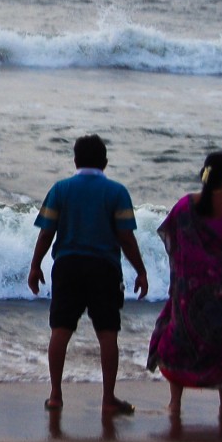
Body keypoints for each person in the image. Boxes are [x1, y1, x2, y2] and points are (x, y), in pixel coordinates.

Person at [28, 134, 148, 415]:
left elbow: (47, 233)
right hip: (104, 268)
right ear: (105, 162)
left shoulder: (61, 189)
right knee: (107, 333)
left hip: (67, 265)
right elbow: (126, 238)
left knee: (60, 330)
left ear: (75, 160)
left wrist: (35, 266)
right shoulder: (117, 192)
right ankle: (108, 398)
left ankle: (56, 395)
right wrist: (140, 271)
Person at [146, 151, 222, 420]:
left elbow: (170, 234)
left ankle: (175, 403)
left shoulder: (185, 204)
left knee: (181, 336)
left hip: (189, 287)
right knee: (221, 343)